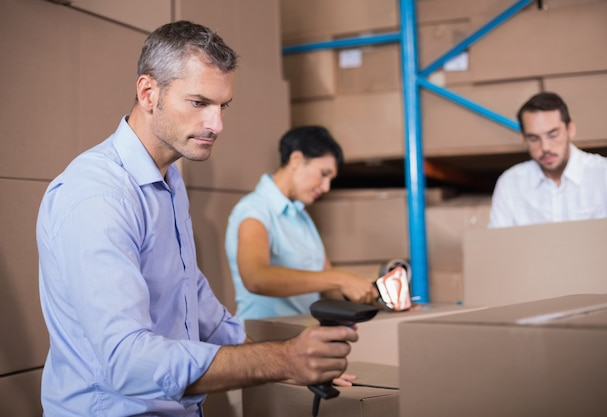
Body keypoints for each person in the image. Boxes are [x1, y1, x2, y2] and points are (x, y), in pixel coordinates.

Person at [36, 21, 358, 416]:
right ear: (148, 92)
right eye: (199, 103)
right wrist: (280, 359)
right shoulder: (97, 196)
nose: (216, 125)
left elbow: (190, 294)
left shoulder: (170, 180)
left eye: (222, 106)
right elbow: (127, 360)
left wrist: (286, 363)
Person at [225, 126, 379, 322]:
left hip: (299, 334)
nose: (326, 187)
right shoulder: (254, 210)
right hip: (260, 337)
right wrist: (341, 279)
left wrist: (367, 288)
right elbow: (256, 278)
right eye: (324, 174)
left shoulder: (302, 217)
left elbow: (327, 282)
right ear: (296, 160)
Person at [488, 91, 607, 228]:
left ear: (570, 129)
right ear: (524, 139)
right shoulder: (510, 184)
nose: (545, 147)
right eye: (534, 138)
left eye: (552, 135)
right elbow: (498, 246)